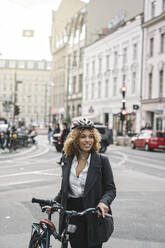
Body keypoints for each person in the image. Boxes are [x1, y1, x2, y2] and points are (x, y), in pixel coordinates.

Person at [54, 117, 116, 248]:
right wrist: (54, 203)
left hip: (93, 212)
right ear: (75, 139)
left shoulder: (102, 161)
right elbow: (65, 188)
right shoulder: (67, 159)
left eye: (91, 136)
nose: (88, 140)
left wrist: (104, 202)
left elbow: (110, 189)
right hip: (72, 213)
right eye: (83, 136)